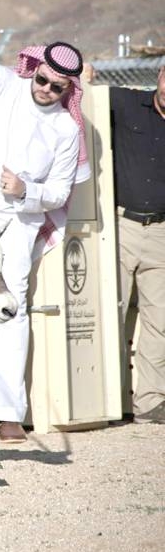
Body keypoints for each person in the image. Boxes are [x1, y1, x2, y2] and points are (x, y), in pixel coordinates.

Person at [0, 42, 90, 443]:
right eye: (41, 79)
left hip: (22, 225)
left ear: (67, 90)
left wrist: (27, 190)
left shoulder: (67, 128)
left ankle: (8, 417)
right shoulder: (5, 85)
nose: (44, 89)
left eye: (56, 87)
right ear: (34, 68)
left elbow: (60, 192)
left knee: (11, 309)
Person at [108, 64, 165, 424]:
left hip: (161, 231)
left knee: (159, 322)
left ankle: (150, 403)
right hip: (120, 226)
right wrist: (83, 77)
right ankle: (110, 401)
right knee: (110, 313)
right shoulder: (125, 103)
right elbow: (79, 98)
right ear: (160, 75)